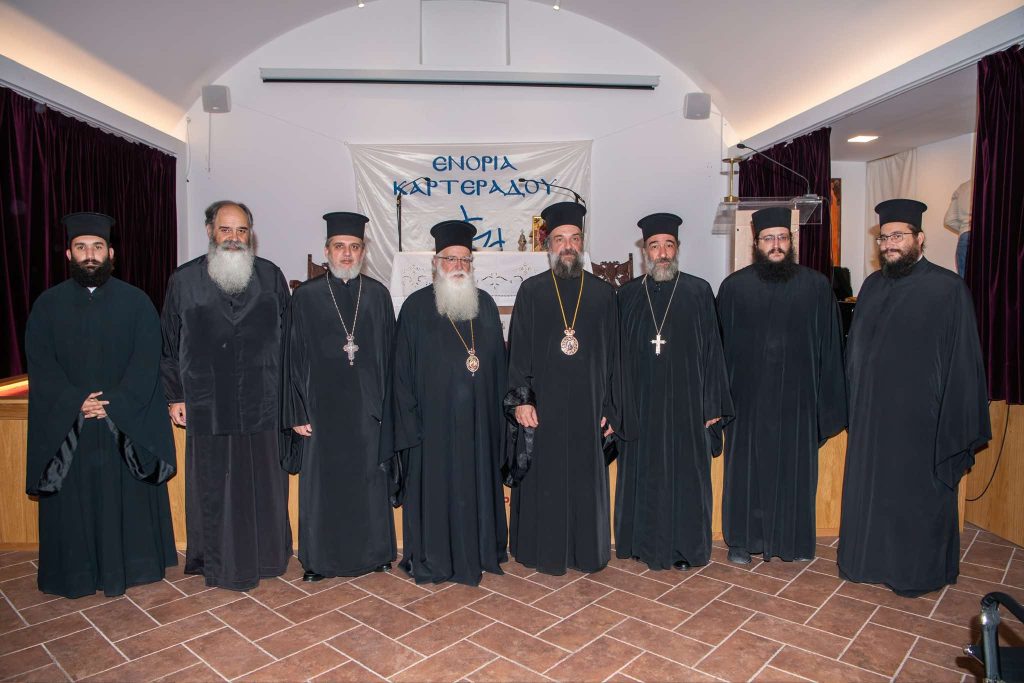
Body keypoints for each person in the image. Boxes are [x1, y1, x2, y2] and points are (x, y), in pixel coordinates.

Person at [838, 199, 990, 597]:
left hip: (922, 420)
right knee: (874, 493)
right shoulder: (872, 286)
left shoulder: (948, 289)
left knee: (916, 497)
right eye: (884, 237)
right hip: (873, 417)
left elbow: (963, 361)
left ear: (919, 238)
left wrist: (949, 416)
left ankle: (915, 573)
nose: (889, 244)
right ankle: (867, 563)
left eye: (898, 236)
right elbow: (856, 352)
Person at [25, 212, 176, 599]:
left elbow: (147, 361)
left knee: (125, 500)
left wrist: (113, 403)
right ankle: (74, 574)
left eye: (97, 247)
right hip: (70, 425)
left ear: (111, 253)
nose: (89, 254)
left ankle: (134, 567)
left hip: (121, 425)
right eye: (81, 247)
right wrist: (77, 401)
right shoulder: (47, 306)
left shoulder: (137, 303)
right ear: (68, 254)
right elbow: (41, 365)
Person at [161, 200, 292, 591]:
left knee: (264, 483)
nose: (234, 238)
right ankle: (215, 559)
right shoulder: (184, 280)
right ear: (209, 231)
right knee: (214, 483)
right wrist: (175, 395)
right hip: (207, 401)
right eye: (226, 229)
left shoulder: (270, 276)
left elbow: (289, 341)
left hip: (263, 399)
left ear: (251, 234)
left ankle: (267, 557)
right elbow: (168, 342)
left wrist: (291, 398)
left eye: (241, 230)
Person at [717, 207, 847, 565]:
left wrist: (825, 403)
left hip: (798, 401)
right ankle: (742, 541)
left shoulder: (816, 287)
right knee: (746, 475)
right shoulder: (734, 288)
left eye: (782, 237)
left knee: (795, 474)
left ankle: (793, 542)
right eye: (768, 238)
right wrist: (720, 402)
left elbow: (830, 350)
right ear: (756, 242)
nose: (776, 244)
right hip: (747, 402)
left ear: (791, 241)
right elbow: (718, 352)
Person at [388, 220, 507, 586]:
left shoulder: (486, 305)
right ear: (435, 263)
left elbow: (498, 370)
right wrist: (411, 427)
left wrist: (496, 422)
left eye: (465, 260)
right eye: (450, 259)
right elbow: (400, 375)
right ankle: (435, 556)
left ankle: (480, 551)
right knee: (436, 495)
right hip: (432, 429)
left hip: (477, 426)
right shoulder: (415, 308)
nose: (458, 266)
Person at [506, 201, 622, 576]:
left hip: (589, 407)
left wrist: (612, 408)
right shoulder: (532, 292)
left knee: (586, 482)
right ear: (548, 246)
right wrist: (521, 401)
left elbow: (616, 358)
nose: (567, 246)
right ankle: (543, 551)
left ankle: (587, 551)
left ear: (582, 243)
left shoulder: (603, 294)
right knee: (546, 479)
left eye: (574, 238)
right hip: (545, 407)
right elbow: (518, 352)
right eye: (560, 239)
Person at [615, 213, 733, 571]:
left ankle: (686, 548)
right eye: (655, 246)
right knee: (644, 472)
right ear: (644, 252)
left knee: (686, 477)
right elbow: (615, 357)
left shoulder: (698, 291)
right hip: (641, 403)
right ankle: (641, 543)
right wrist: (618, 406)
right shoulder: (628, 295)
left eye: (669, 245)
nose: (662, 253)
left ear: (677, 248)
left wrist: (712, 405)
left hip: (688, 404)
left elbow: (713, 351)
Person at [281, 212, 396, 581]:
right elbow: (292, 357)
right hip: (321, 409)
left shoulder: (377, 295)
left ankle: (376, 554)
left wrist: (388, 408)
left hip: (368, 408)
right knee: (323, 487)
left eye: (355, 247)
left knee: (370, 481)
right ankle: (320, 560)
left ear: (363, 251)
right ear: (327, 251)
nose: (347, 253)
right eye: (340, 246)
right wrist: (297, 410)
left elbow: (390, 357)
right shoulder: (305, 296)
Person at [944, 180, 973, 277]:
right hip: (989, 237)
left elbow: (949, 220)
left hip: (965, 236)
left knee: (965, 281)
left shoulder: (963, 187)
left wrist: (965, 230)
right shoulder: (998, 182)